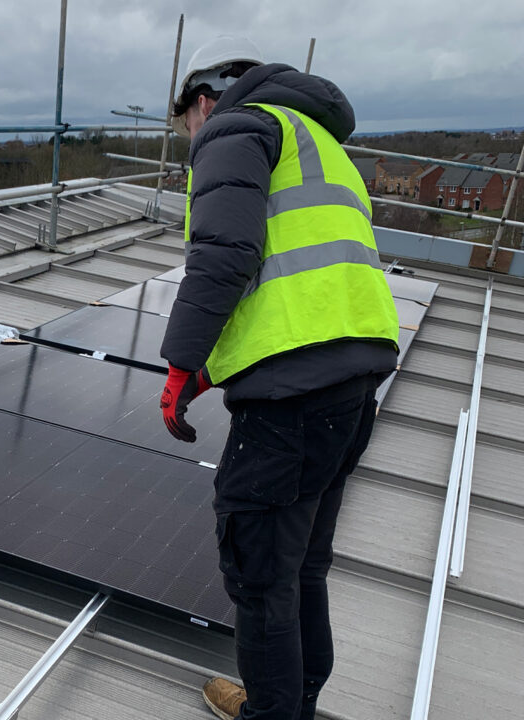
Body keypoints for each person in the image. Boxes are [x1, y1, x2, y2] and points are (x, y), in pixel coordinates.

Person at [158, 37, 400, 720]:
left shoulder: (236, 126)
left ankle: (272, 712)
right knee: (302, 570)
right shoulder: (317, 140)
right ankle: (289, 703)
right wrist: (212, 364)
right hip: (352, 382)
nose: (191, 142)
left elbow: (227, 252)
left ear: (202, 101)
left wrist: (179, 363)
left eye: (187, 129)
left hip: (291, 401)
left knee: (262, 581)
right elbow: (295, 279)